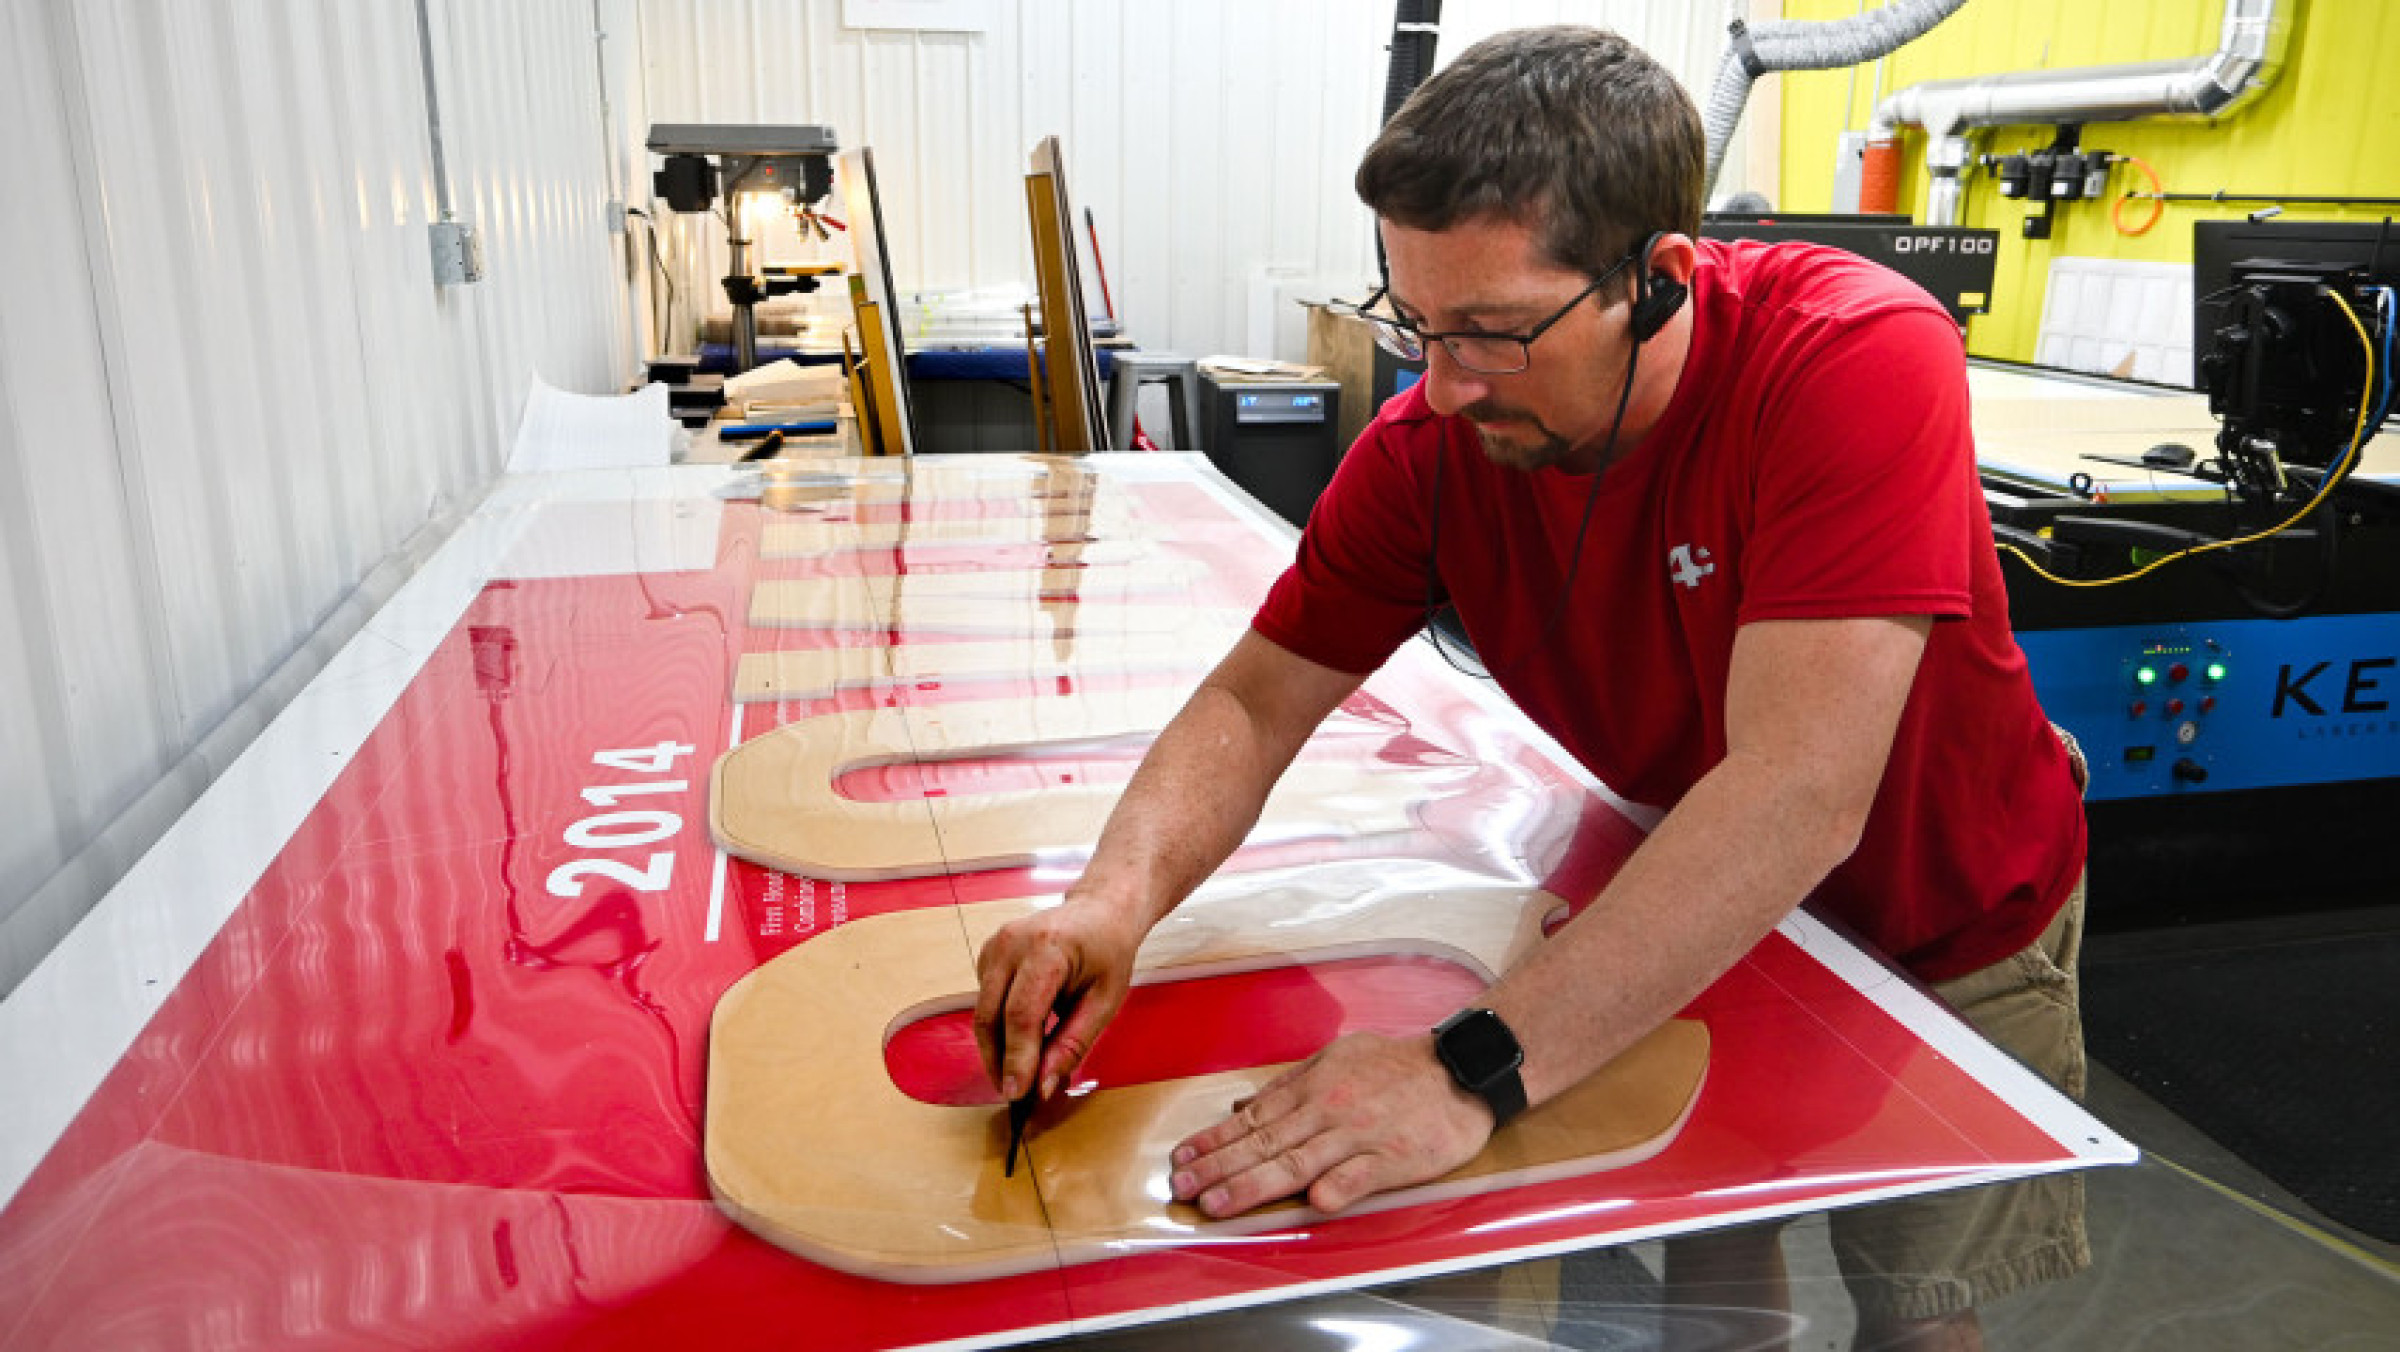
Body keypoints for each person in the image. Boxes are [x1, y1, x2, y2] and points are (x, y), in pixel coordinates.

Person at [973, 24, 2089, 1349]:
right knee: (1718, 1260)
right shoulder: (1432, 453)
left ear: (1660, 281)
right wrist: (1110, 903)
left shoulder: (1850, 361)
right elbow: (1255, 701)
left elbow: (1796, 794)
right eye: (1417, 322)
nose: (1441, 387)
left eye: (1495, 334)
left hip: (1936, 920)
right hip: (1696, 899)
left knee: (1920, 1305)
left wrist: (1468, 1069)